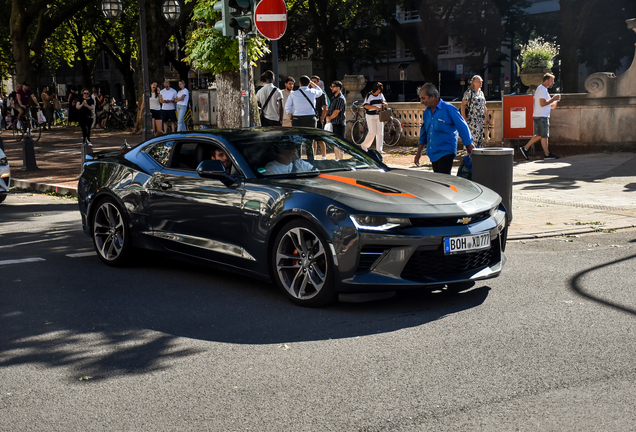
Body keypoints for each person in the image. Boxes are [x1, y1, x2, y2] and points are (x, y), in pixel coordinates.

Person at [414, 83, 474, 174]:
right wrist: (419, 153)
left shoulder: (448, 109)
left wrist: (469, 145)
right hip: (433, 152)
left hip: (446, 152)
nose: (421, 102)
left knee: (444, 181)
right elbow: (424, 133)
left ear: (432, 97)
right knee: (438, 180)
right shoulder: (427, 113)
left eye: (423, 98)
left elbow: (462, 127)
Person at [519, 73, 561, 160]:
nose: (553, 83)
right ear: (547, 81)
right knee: (544, 135)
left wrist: (553, 101)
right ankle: (547, 154)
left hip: (539, 115)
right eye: (551, 81)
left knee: (539, 135)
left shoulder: (541, 89)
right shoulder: (542, 89)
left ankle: (525, 148)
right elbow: (542, 103)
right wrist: (553, 99)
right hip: (542, 116)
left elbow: (536, 102)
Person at [461, 75, 489, 149]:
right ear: (474, 83)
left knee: (480, 138)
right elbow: (463, 105)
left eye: (481, 82)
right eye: (479, 82)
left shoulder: (481, 93)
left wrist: (487, 117)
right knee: (473, 138)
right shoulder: (469, 92)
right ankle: (470, 156)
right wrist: (464, 117)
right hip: (472, 119)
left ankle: (478, 157)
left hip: (480, 119)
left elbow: (484, 106)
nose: (481, 83)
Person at [359, 82, 388, 153]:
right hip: (370, 115)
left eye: (380, 90)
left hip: (379, 115)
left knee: (380, 132)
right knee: (372, 132)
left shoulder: (381, 95)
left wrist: (385, 104)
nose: (379, 91)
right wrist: (375, 107)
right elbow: (365, 105)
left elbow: (385, 102)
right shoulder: (369, 95)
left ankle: (379, 149)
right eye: (378, 90)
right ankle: (364, 145)